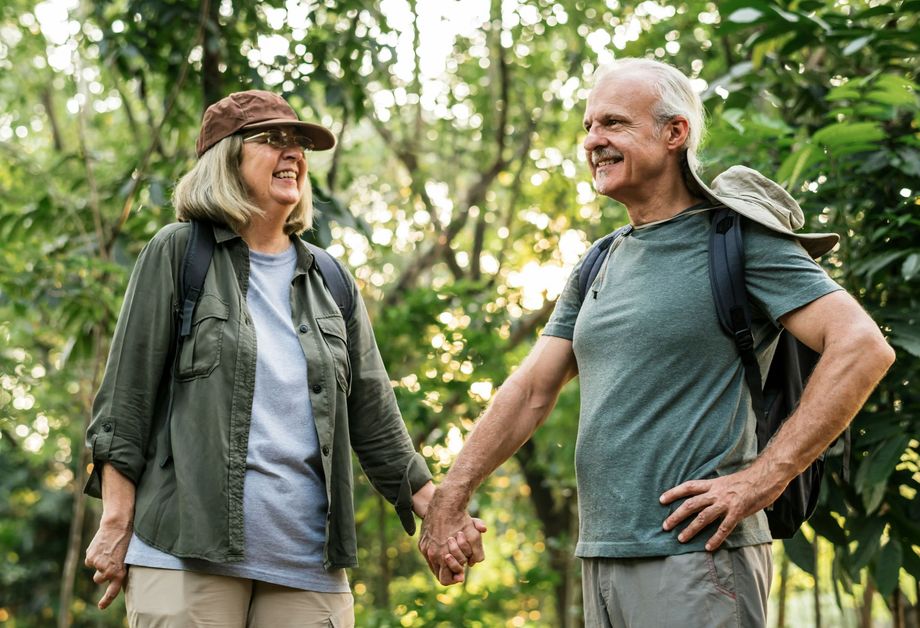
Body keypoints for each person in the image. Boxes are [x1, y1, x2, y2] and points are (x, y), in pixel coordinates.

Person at [419, 58, 895, 625]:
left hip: (700, 562)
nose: (594, 141)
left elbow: (863, 346)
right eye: (589, 127)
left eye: (614, 124)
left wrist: (761, 480)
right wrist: (452, 492)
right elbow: (530, 391)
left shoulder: (739, 239)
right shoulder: (598, 261)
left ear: (675, 133)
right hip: (602, 557)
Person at [82, 90, 481, 627]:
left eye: (299, 143)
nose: (292, 152)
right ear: (226, 157)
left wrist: (440, 512)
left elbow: (376, 419)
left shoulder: (330, 279)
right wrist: (114, 523)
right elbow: (123, 407)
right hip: (184, 554)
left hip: (307, 564)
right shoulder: (179, 253)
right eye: (272, 140)